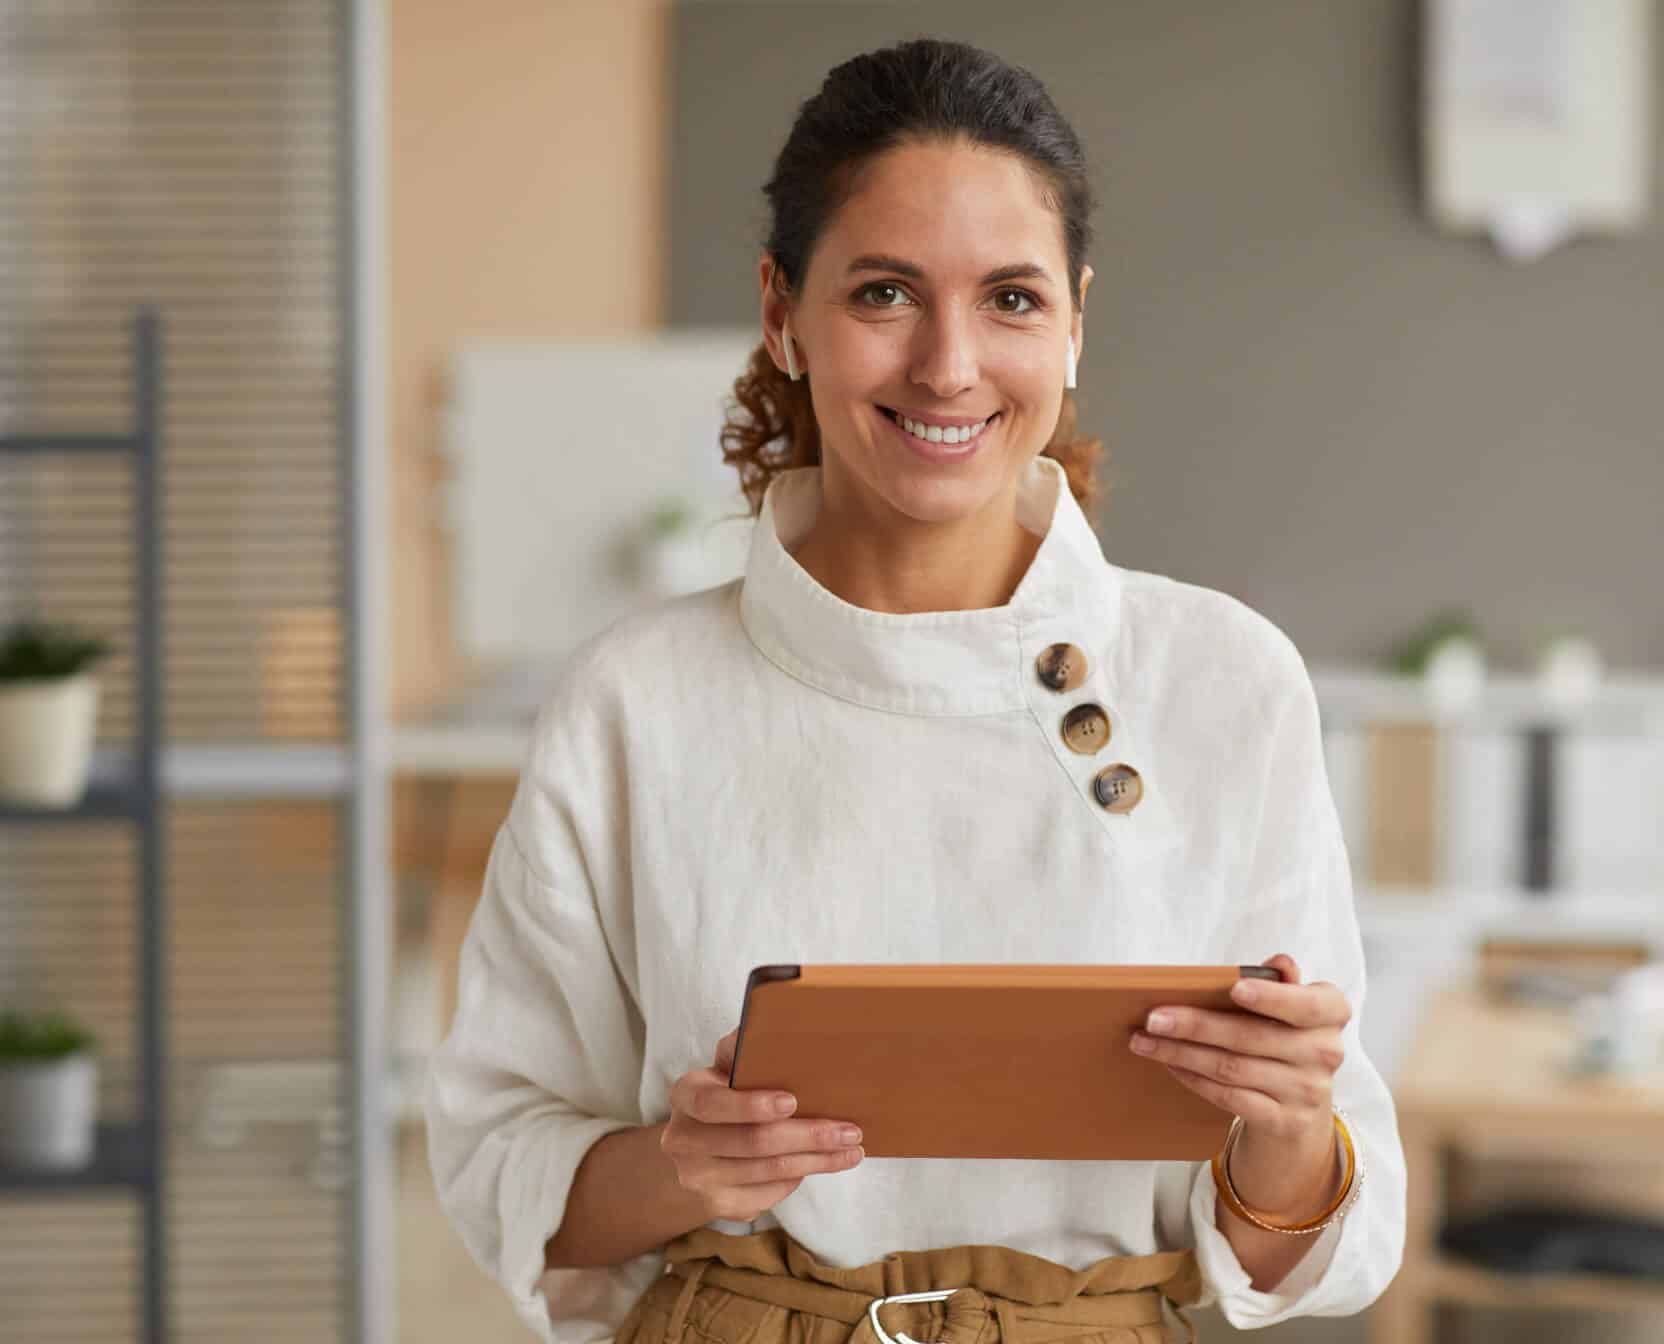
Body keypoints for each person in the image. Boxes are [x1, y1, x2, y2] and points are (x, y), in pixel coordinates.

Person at [426, 37, 1404, 1344]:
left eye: (1010, 299)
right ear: (782, 312)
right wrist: (686, 1167)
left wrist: (1286, 1126)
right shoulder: (638, 701)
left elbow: (1314, 1242)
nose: (948, 367)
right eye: (885, 292)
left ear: (1073, 323)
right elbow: (502, 1166)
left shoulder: (1226, 681)